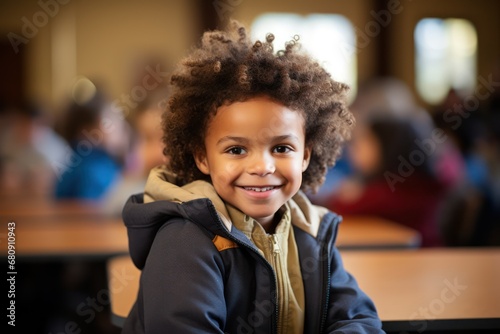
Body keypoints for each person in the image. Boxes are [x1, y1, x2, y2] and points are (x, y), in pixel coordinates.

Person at [121, 20, 383, 333]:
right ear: (202, 157)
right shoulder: (185, 241)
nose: (262, 167)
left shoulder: (310, 232)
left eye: (282, 147)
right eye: (236, 150)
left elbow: (356, 319)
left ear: (306, 155)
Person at [327, 116, 449, 247]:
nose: (355, 148)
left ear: (387, 147)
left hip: (418, 258)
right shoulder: (419, 184)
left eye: (366, 140)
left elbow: (341, 210)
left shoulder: (399, 190)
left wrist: (347, 196)